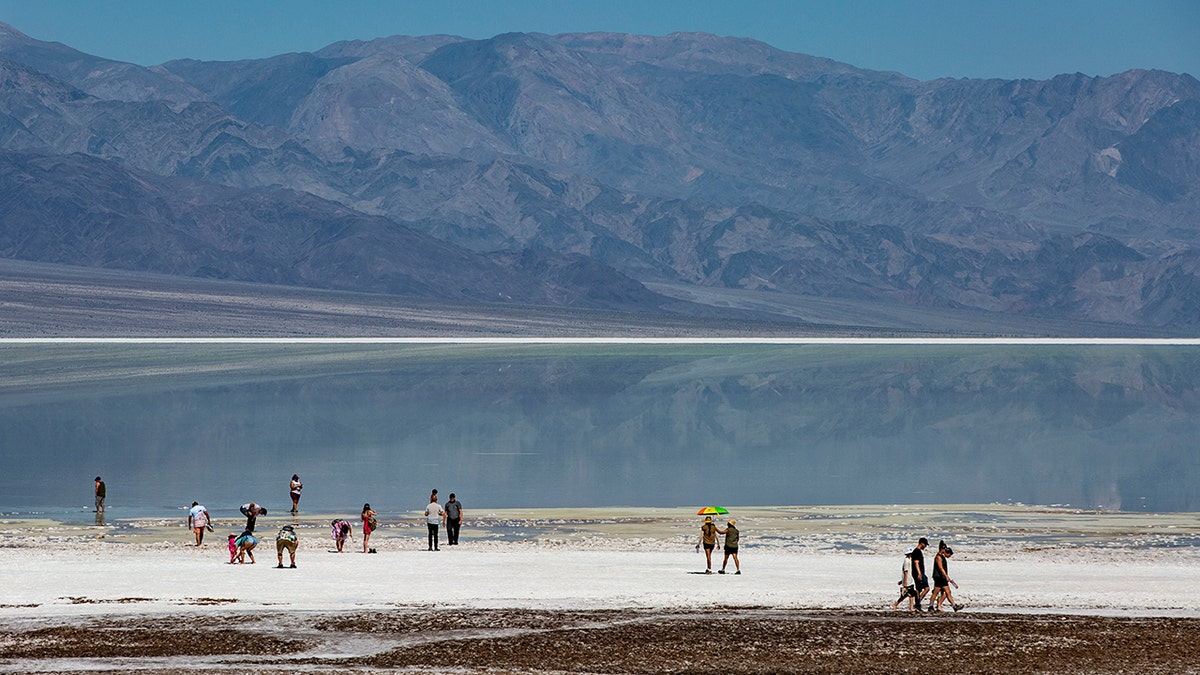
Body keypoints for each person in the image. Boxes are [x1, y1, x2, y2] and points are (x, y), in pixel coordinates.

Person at [931, 543, 964, 612]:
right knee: (936, 592)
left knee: (947, 592)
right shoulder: (938, 557)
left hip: (942, 577)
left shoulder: (942, 557)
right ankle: (931, 606)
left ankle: (953, 605)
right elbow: (940, 568)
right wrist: (946, 576)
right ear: (942, 549)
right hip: (939, 577)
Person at [910, 537, 930, 611]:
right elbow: (916, 563)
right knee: (926, 588)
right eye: (925, 545)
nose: (925, 547)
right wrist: (919, 573)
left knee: (919, 588)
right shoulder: (917, 552)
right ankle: (918, 603)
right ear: (922, 543)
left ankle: (918, 603)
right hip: (918, 572)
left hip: (919, 572)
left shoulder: (917, 551)